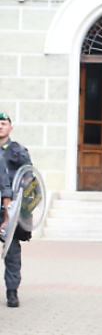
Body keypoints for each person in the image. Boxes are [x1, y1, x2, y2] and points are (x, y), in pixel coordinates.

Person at [0, 112, 32, 308]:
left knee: (12, 253)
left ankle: (12, 291)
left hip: (9, 209)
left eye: (3, 123)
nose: (0, 127)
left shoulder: (18, 151)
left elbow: (29, 179)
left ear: (10, 128)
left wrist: (21, 211)